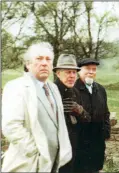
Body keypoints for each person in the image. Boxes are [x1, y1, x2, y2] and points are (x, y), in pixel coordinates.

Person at [1, 42, 72, 172]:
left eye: (48, 59)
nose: (44, 63)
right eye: (39, 59)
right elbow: (11, 127)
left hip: (52, 163)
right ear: (28, 64)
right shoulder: (16, 87)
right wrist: (36, 152)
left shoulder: (53, 88)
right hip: (27, 163)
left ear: (52, 65)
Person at [53, 54, 91, 173]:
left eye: (74, 72)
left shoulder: (75, 91)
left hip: (74, 147)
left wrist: (80, 111)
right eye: (68, 72)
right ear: (58, 73)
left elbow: (88, 119)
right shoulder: (51, 92)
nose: (72, 76)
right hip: (56, 149)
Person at [74, 58, 111, 173]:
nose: (91, 72)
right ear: (79, 70)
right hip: (80, 142)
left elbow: (106, 112)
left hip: (97, 141)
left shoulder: (100, 89)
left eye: (94, 69)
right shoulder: (72, 89)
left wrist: (106, 131)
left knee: (96, 168)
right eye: (87, 69)